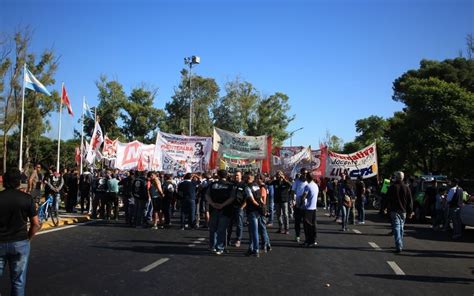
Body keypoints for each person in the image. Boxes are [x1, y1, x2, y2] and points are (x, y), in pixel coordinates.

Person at [0, 168, 41, 296]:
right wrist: (28, 237)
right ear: (19, 182)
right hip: (20, 242)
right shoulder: (27, 199)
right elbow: (36, 224)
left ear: (4, 182)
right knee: (18, 281)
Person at [206, 169, 234, 255]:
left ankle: (212, 246)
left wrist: (212, 204)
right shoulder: (230, 185)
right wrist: (223, 205)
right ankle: (219, 247)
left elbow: (207, 195)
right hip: (225, 210)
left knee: (213, 229)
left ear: (218, 175)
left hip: (214, 209)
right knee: (221, 229)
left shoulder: (213, 184)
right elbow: (232, 197)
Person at [386, 171, 413, 253]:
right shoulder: (406, 187)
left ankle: (399, 244)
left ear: (396, 177)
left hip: (394, 210)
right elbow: (410, 201)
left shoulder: (392, 187)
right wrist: (410, 211)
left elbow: (387, 198)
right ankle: (400, 243)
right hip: (403, 210)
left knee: (397, 227)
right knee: (401, 227)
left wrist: (385, 208)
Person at [243, 172, 262, 257]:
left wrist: (259, 207)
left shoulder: (248, 187)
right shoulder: (256, 185)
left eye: (246, 177)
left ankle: (256, 249)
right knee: (252, 231)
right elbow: (260, 198)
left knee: (254, 231)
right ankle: (251, 248)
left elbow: (252, 200)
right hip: (257, 210)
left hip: (252, 210)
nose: (244, 178)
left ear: (249, 177)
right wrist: (262, 206)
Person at [300, 172, 319, 247]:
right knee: (313, 226)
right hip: (314, 207)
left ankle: (308, 241)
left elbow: (303, 196)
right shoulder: (315, 185)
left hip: (308, 208)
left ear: (307, 177)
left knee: (307, 226)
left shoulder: (307, 186)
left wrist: (301, 204)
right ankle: (313, 240)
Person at [227, 171, 245, 247]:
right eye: (235, 175)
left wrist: (242, 207)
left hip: (239, 207)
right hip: (231, 207)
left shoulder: (244, 185)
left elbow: (247, 198)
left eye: (237, 175)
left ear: (241, 176)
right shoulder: (231, 184)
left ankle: (238, 239)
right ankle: (227, 239)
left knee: (239, 224)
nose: (236, 177)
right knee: (229, 224)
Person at [290, 168, 308, 243]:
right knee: (297, 221)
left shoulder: (308, 182)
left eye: (306, 173)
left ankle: (307, 237)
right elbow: (292, 192)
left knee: (306, 222)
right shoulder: (296, 182)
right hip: (298, 204)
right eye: (304, 173)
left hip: (306, 205)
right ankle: (297, 236)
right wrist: (293, 200)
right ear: (301, 173)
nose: (305, 175)